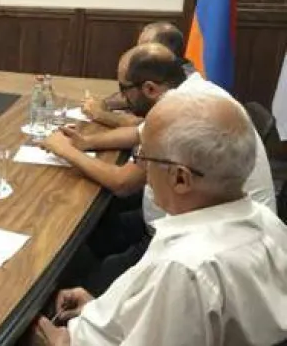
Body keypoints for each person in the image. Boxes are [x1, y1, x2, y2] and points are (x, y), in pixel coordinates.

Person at [31, 92, 287, 346]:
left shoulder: (185, 269)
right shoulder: (267, 222)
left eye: (144, 158)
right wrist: (100, 310)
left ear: (180, 178)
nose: (143, 169)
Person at [40, 43, 275, 291]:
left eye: (124, 89)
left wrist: (65, 151)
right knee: (96, 226)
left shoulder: (184, 112)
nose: (123, 98)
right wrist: (86, 142)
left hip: (207, 247)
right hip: (219, 227)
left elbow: (123, 183)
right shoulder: (193, 94)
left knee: (85, 277)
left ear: (149, 88)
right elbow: (138, 132)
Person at [84, 22, 193, 128]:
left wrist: (101, 114)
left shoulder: (186, 90)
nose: (136, 54)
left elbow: (149, 127)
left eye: (143, 49)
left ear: (160, 51)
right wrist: (104, 103)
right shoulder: (171, 73)